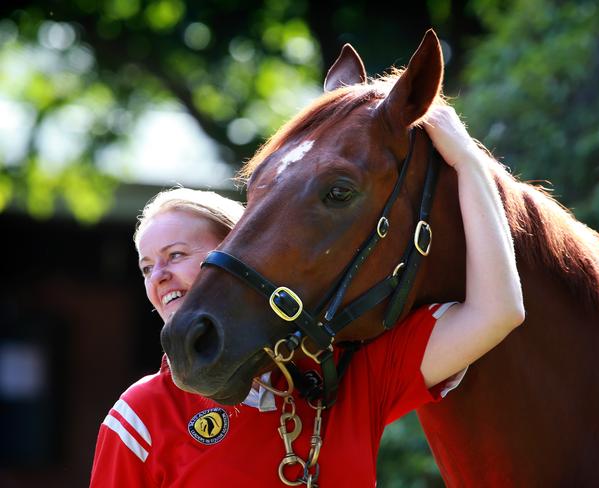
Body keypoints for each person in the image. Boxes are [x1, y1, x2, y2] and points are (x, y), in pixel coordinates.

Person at [89, 105, 525, 487]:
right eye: (147, 267)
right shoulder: (139, 418)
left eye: (176, 254)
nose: (159, 276)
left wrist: (468, 162)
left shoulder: (351, 377)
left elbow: (497, 311)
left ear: (237, 250)